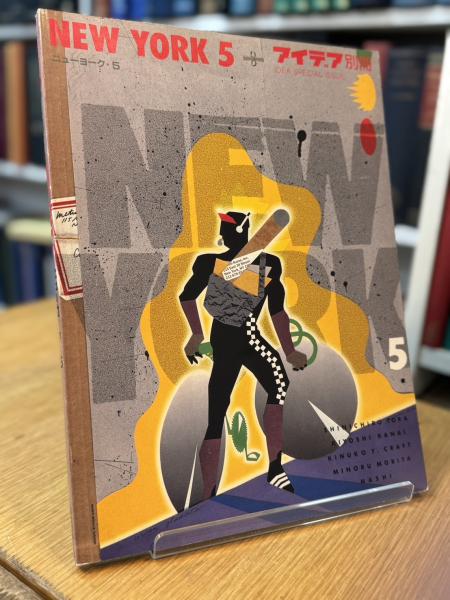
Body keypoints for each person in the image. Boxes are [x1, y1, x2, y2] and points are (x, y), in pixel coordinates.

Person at [179, 211, 307, 500]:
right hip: (236, 340)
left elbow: (277, 311)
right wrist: (196, 334)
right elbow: (187, 296)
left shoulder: (268, 265)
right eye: (222, 228)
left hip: (242, 339)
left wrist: (289, 350)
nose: (222, 234)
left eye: (227, 228)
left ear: (240, 231)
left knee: (277, 385)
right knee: (217, 411)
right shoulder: (210, 262)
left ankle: (274, 469)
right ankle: (209, 492)